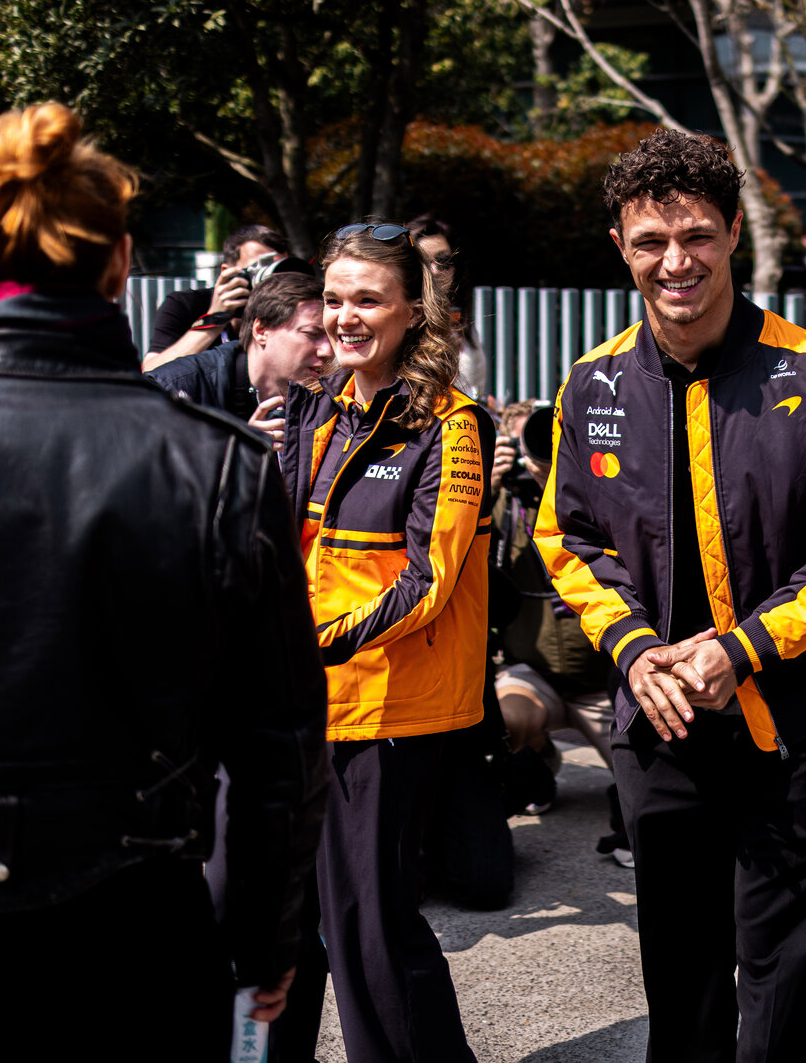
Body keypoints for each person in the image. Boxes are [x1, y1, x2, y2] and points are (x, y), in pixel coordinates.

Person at [0, 102, 328, 1060]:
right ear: (121, 263)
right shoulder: (220, 465)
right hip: (133, 934)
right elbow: (280, 749)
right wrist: (264, 945)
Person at [536, 129, 806, 1062]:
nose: (677, 261)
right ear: (619, 247)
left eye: (697, 234)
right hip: (660, 723)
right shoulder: (591, 384)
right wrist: (635, 652)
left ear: (734, 231)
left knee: (782, 976)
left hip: (794, 725)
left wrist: (739, 648)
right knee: (680, 973)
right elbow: (567, 541)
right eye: (651, 241)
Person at [276, 220, 493, 1061]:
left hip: (387, 710)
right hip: (303, 704)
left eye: (368, 300)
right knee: (280, 922)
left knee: (368, 932)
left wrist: (304, 647)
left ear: (413, 311)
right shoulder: (318, 406)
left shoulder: (452, 424)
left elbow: (427, 583)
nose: (345, 317)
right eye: (334, 299)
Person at [489, 398, 628, 858]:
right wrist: (485, 491)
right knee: (507, 720)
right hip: (535, 674)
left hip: (604, 681)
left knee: (642, 770)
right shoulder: (502, 503)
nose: (539, 451)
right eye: (527, 441)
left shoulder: (603, 490)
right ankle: (539, 768)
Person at [146, 270, 330, 424]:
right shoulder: (175, 388)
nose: (327, 351)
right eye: (311, 334)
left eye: (331, 337)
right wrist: (242, 449)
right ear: (261, 330)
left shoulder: (330, 395)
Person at [145, 224, 288, 372]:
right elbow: (152, 371)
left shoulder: (292, 313)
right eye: (259, 271)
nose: (271, 282)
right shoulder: (185, 304)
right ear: (227, 272)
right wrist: (214, 319)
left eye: (279, 272)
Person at [407, 213, 490, 402]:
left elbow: (476, 390)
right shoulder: (391, 320)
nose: (435, 270)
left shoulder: (461, 323)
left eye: (444, 261)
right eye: (423, 263)